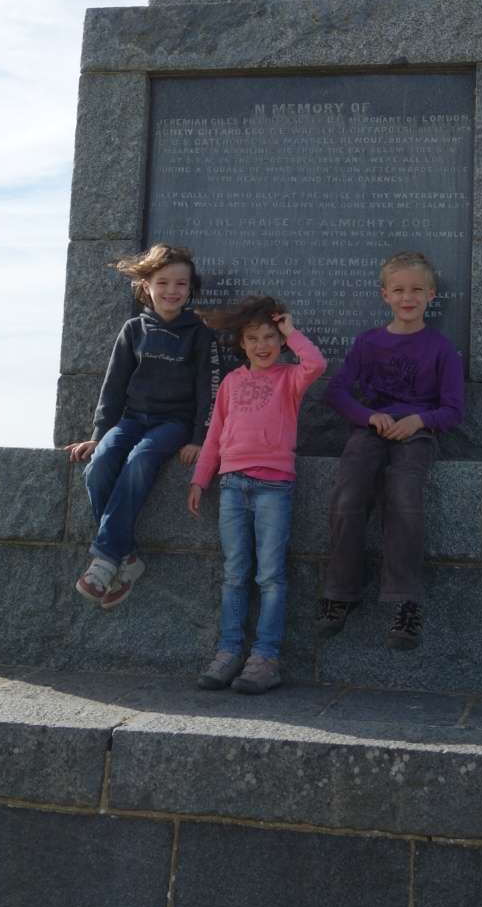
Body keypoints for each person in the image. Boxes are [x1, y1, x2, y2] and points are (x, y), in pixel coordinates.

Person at [315, 250, 463, 650]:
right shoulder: (369, 342)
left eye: (416, 290)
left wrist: (420, 421)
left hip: (416, 434)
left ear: (431, 295)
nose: (407, 297)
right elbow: (336, 391)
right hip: (371, 430)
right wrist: (367, 416)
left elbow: (453, 409)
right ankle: (340, 592)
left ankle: (405, 601)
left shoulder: (441, 349)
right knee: (347, 495)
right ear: (385, 295)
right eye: (398, 290)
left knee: (404, 498)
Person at [65, 244, 215, 609]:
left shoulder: (200, 333)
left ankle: (104, 559)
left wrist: (200, 438)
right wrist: (99, 436)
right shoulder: (133, 329)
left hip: (174, 424)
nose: (172, 290)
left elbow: (207, 390)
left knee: (140, 459)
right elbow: (113, 387)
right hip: (132, 419)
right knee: (99, 465)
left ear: (190, 288)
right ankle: (127, 557)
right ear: (146, 285)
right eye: (162, 282)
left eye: (181, 283)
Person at [189, 297, 325, 694]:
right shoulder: (232, 383)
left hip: (274, 487)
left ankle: (265, 658)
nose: (262, 345)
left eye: (269, 337)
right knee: (234, 573)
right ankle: (229, 652)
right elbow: (215, 434)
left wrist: (291, 332)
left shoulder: (290, 379)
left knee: (270, 575)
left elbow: (316, 364)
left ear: (280, 341)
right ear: (242, 343)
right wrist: (200, 479)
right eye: (253, 338)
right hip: (232, 485)